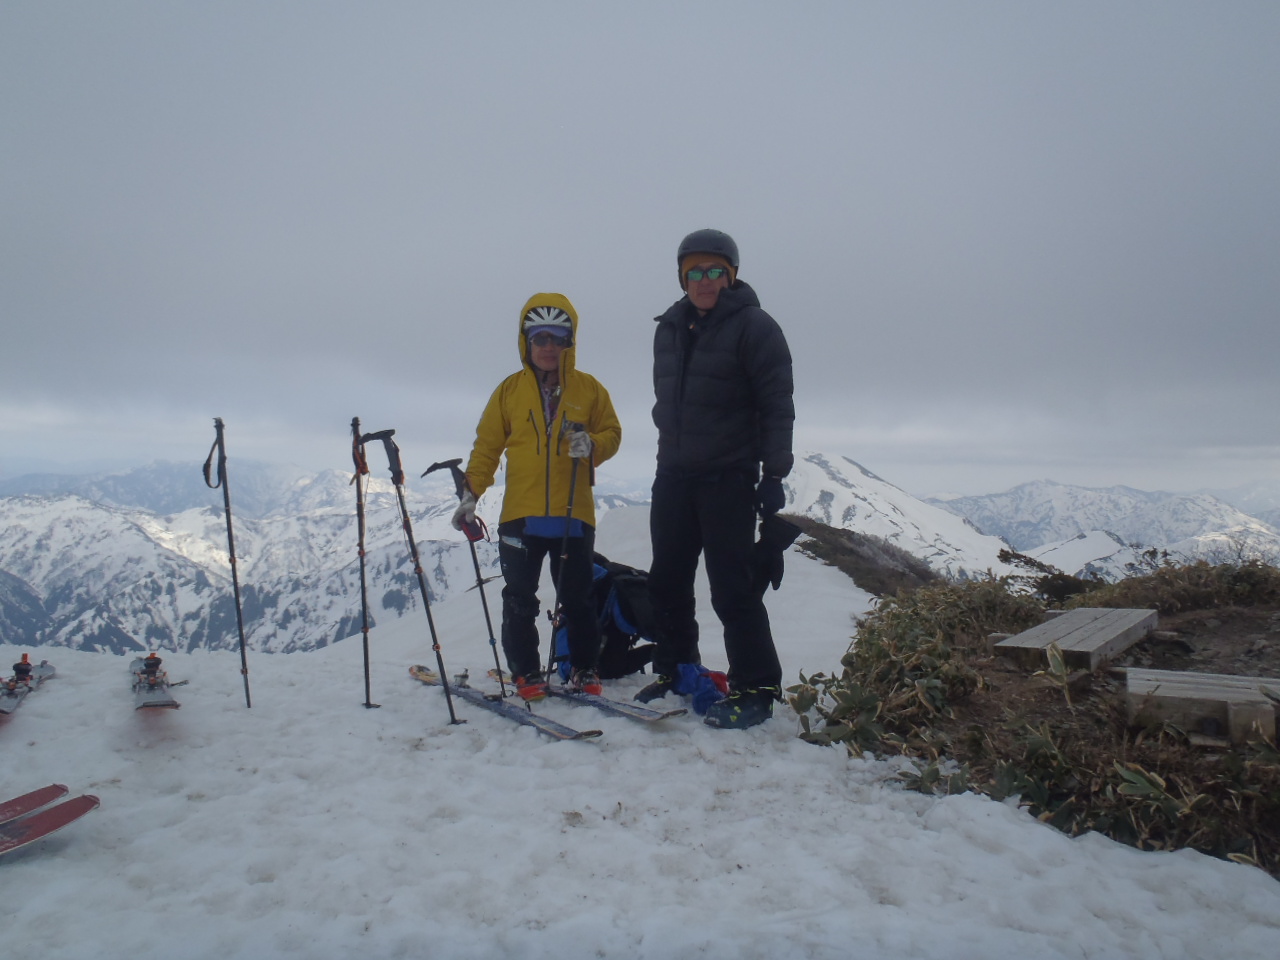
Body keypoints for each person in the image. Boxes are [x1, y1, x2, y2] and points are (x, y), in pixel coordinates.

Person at [638, 229, 795, 729]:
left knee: (732, 587)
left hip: (728, 476)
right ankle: (677, 667)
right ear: (682, 278)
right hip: (674, 474)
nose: (704, 281)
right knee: (668, 579)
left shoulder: (755, 327)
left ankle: (757, 687)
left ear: (730, 275)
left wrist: (774, 474)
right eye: (694, 273)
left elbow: (777, 405)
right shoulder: (669, 328)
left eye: (714, 272)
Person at [454, 293, 622, 701]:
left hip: (574, 512)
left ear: (570, 342)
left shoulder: (589, 390)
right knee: (520, 599)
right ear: (526, 342)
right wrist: (470, 494)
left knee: (578, 599)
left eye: (557, 338)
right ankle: (527, 672)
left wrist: (592, 445)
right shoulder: (509, 392)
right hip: (521, 515)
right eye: (540, 337)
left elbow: (613, 433)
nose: (548, 347)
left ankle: (583, 668)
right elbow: (487, 447)